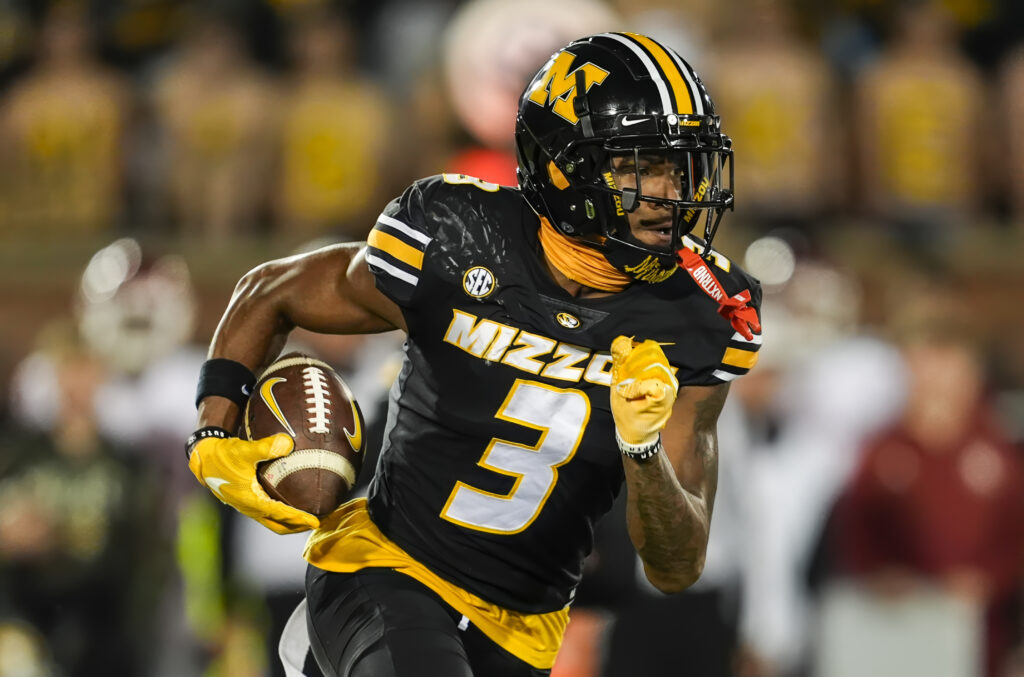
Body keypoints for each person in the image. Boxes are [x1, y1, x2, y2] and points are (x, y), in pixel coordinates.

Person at [185, 33, 763, 677]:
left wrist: (643, 449)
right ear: (564, 168)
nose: (670, 191)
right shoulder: (459, 235)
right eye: (641, 166)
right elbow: (272, 291)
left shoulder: (706, 308)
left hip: (524, 630)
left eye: (679, 165)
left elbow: (676, 564)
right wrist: (213, 426)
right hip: (386, 571)